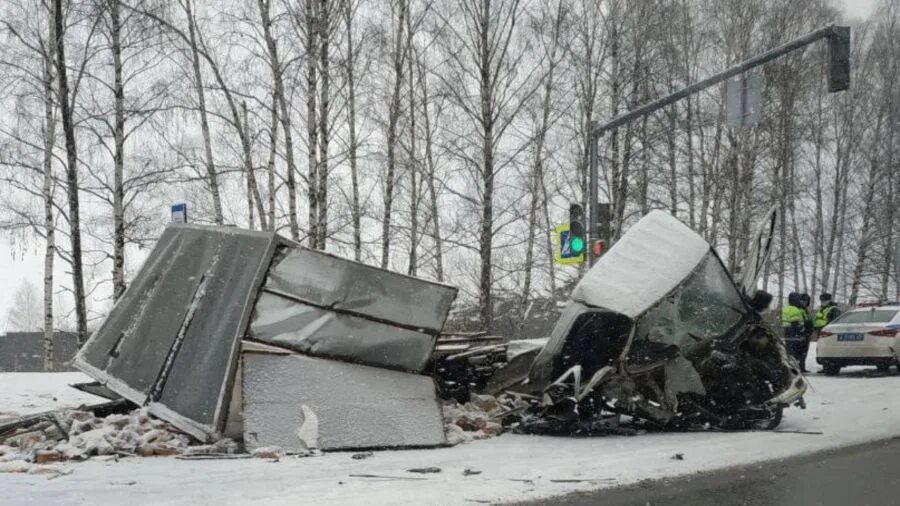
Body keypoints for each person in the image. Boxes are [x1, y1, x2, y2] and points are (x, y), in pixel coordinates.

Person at [782, 292, 812, 372]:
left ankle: (794, 367)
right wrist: (803, 331)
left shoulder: (787, 308)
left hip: (789, 332)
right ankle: (796, 368)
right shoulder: (796, 309)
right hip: (796, 333)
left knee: (791, 352)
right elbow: (796, 323)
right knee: (797, 352)